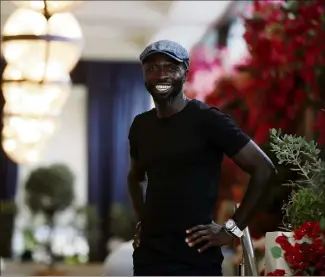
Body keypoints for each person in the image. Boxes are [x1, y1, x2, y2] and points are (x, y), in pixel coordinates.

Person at [127, 40, 276, 276]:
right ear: (144, 75)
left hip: (195, 259)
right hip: (149, 258)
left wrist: (232, 229)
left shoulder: (207, 120)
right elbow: (135, 177)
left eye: (170, 67)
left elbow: (264, 169)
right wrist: (143, 220)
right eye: (152, 68)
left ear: (185, 72)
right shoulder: (141, 125)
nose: (161, 74)